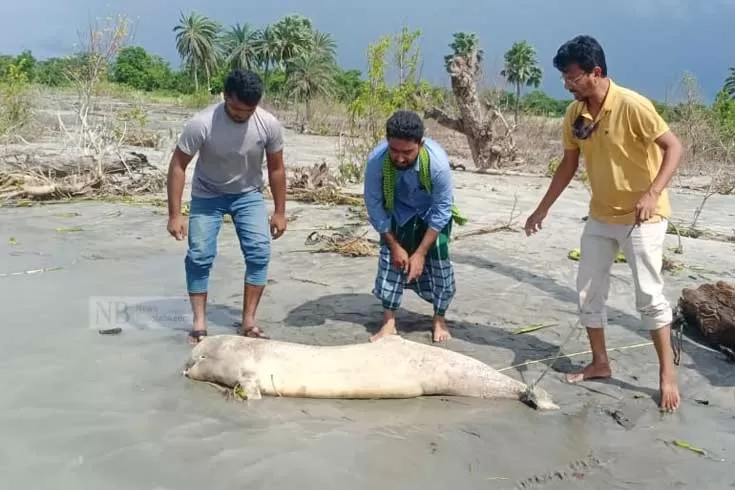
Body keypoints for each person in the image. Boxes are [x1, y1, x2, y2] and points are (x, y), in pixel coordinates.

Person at [524, 35, 684, 411]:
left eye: (572, 76)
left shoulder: (632, 105)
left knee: (648, 294)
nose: (567, 83)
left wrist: (651, 192)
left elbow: (674, 148)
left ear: (596, 72)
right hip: (601, 215)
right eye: (564, 76)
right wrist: (542, 208)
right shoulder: (574, 113)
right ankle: (600, 361)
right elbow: (568, 164)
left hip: (644, 217)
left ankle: (666, 374)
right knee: (588, 291)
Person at [166, 69, 288, 344]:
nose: (242, 115)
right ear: (225, 97)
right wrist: (175, 214)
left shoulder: (268, 124)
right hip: (207, 195)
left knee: (259, 252)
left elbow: (277, 169)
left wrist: (280, 211)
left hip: (248, 195)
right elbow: (178, 166)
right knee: (199, 255)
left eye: (248, 110)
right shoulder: (202, 123)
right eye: (236, 109)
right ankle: (198, 323)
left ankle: (248, 322)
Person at [364, 110, 467, 343]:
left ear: (420, 144)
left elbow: (443, 209)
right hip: (397, 213)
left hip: (430, 215)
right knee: (390, 263)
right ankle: (389, 321)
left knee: (440, 266)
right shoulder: (376, 162)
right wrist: (394, 245)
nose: (400, 158)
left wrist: (420, 253)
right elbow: (374, 205)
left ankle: (439, 318)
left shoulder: (437, 164)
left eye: (407, 152)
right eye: (394, 151)